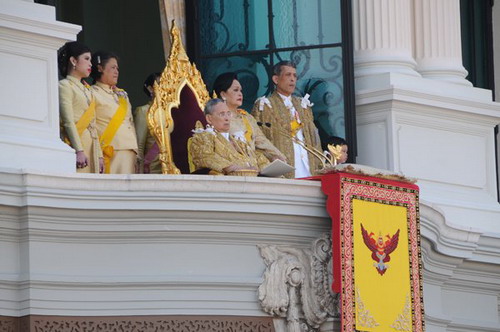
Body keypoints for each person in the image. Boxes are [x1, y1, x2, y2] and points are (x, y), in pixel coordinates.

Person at [251, 61, 322, 178]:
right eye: (288, 75)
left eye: (294, 76)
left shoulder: (303, 105)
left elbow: (314, 138)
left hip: (309, 169)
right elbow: (257, 139)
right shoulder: (265, 105)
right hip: (283, 170)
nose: (292, 79)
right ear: (276, 79)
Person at [212, 72, 285, 166]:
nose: (240, 94)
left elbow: (261, 140)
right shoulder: (216, 117)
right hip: (232, 165)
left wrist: (277, 156)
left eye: (240, 91)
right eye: (235, 90)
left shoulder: (247, 117)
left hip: (253, 164)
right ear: (223, 94)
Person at [58, 41, 104, 173]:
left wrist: (99, 155)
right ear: (73, 60)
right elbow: (68, 122)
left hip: (92, 146)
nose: (91, 64)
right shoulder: (65, 85)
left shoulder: (87, 90)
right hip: (77, 145)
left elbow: (93, 125)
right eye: (86, 59)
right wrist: (79, 150)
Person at [90, 51, 138, 174]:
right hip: (111, 150)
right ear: (100, 68)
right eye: (112, 67)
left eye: (117, 68)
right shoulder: (92, 93)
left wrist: (138, 153)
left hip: (130, 148)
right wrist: (98, 153)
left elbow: (131, 123)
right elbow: (91, 126)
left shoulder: (122, 94)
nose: (116, 71)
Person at [189, 99, 264, 176]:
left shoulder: (238, 140)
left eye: (228, 113)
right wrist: (232, 167)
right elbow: (204, 157)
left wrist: (266, 168)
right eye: (222, 114)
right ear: (209, 118)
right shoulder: (204, 137)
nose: (227, 118)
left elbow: (256, 157)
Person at [134, 72, 161, 174]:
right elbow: (139, 145)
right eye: (159, 84)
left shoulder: (171, 111)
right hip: (151, 167)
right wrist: (139, 172)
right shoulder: (143, 111)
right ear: (150, 88)